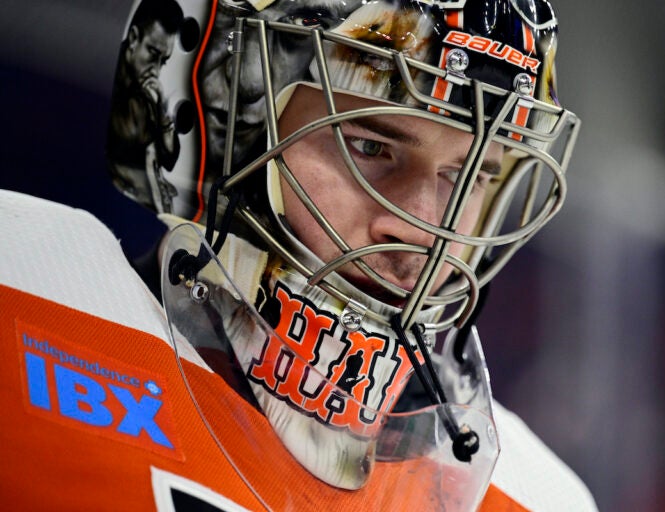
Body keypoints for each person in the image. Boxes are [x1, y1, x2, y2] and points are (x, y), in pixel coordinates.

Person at [0, 0, 597, 510]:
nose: (423, 229)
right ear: (224, 125)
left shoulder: (532, 496)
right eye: (370, 145)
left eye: (469, 174)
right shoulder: (22, 290)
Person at [107, 0, 184, 213]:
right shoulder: (110, 82)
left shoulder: (148, 93)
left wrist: (161, 112)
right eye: (152, 53)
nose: (156, 70)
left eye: (164, 61)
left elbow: (169, 159)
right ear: (133, 38)